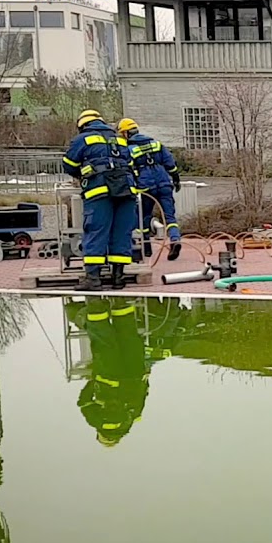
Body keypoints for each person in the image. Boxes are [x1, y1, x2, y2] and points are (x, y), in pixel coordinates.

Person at [62, 109, 138, 291]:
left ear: (83, 125)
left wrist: (82, 173)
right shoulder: (119, 138)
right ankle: (118, 277)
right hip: (127, 191)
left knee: (96, 230)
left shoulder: (83, 139)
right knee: (121, 231)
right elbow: (131, 162)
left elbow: (69, 164)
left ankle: (93, 279)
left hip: (99, 190)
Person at [74, 296, 150, 448]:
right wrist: (93, 381)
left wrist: (144, 375)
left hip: (134, 373)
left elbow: (144, 393)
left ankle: (120, 304)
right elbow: (83, 402)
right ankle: (96, 306)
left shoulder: (132, 419)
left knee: (128, 337)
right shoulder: (98, 422)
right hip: (109, 375)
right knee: (103, 341)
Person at [119, 117, 183, 262]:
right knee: (169, 216)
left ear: (125, 134)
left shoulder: (129, 150)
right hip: (164, 183)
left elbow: (129, 170)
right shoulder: (156, 144)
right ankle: (175, 239)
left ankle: (145, 247)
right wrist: (175, 178)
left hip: (145, 187)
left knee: (143, 217)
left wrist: (133, 186)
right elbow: (170, 163)